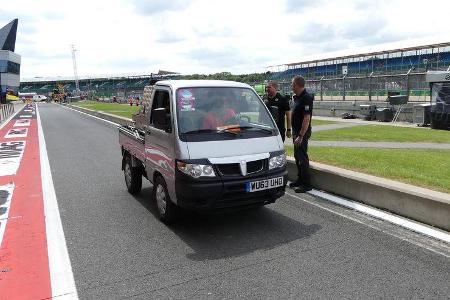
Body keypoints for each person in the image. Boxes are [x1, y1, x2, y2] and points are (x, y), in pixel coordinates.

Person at [290, 75, 313, 193]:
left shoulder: (306, 98)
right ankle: (300, 179)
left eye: (292, 84)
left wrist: (301, 135)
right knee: (296, 156)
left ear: (297, 85)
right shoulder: (297, 98)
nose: (291, 86)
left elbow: (306, 119)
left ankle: (306, 183)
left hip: (301, 134)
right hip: (296, 133)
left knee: (302, 157)